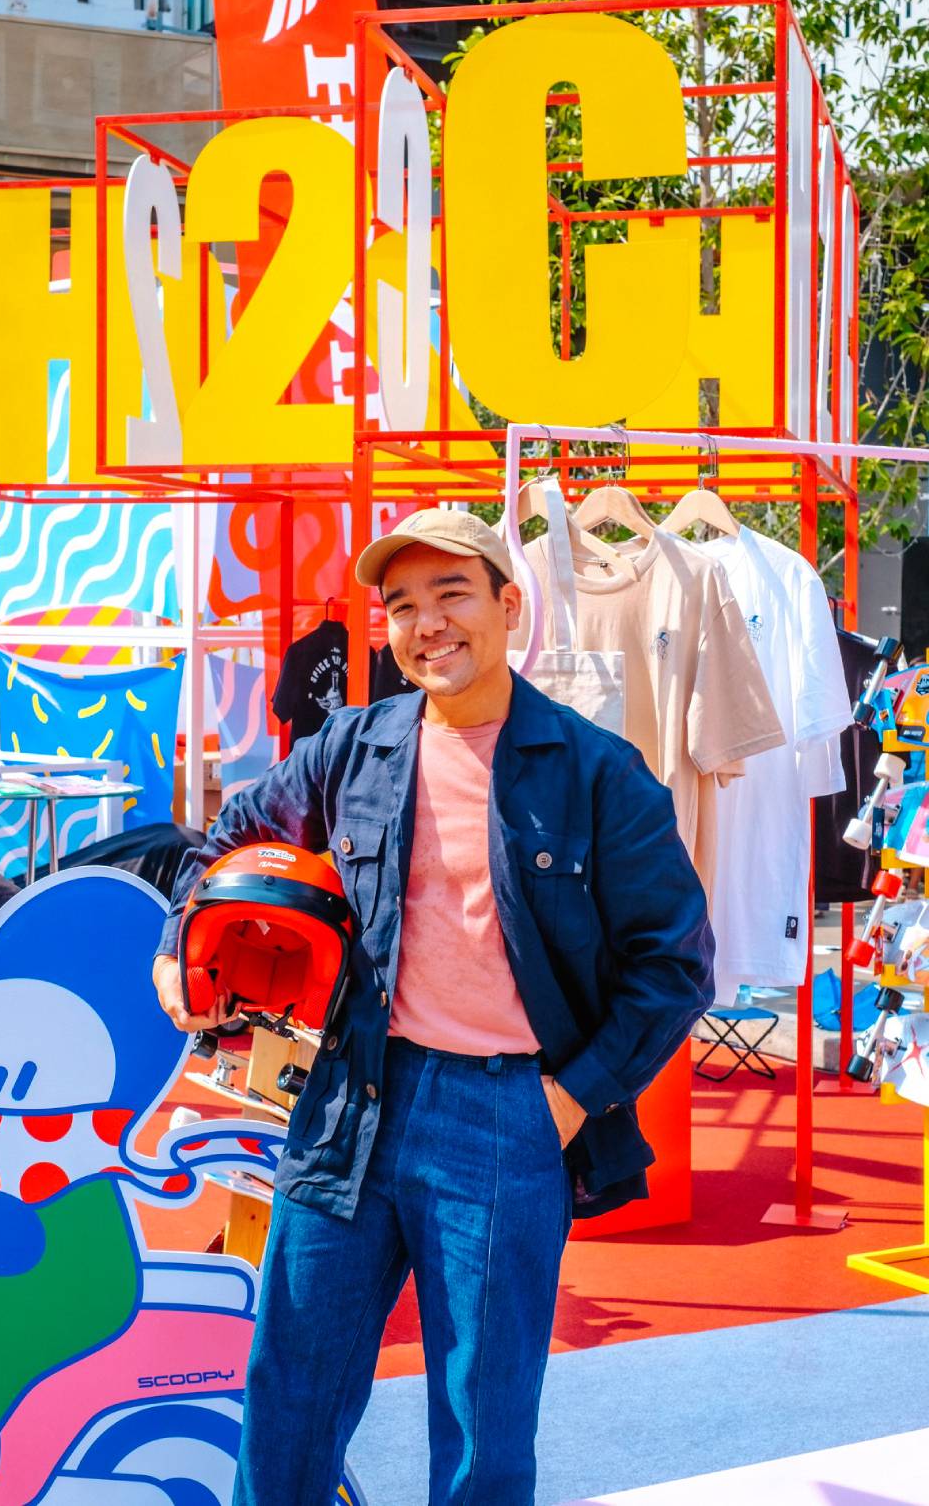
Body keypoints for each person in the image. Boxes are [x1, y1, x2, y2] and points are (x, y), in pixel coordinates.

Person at [153, 507, 714, 1505]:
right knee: (289, 1401)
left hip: (505, 1118)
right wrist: (177, 946)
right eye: (403, 605)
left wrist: (569, 1100)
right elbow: (230, 834)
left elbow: (675, 964)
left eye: (452, 594)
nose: (428, 624)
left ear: (509, 605)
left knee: (481, 1434)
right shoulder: (351, 747)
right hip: (348, 1102)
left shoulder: (596, 772)